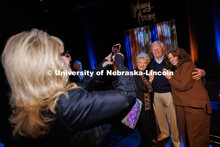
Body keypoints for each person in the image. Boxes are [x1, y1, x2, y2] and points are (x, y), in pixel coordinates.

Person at [1, 29, 137, 147]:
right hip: (102, 141)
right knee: (135, 109)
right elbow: (127, 95)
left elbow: (82, 84)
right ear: (49, 64)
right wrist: (120, 63)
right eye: (63, 55)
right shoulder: (66, 102)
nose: (69, 58)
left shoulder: (46, 95)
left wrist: (103, 64)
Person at [148, 41, 205, 147]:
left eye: (158, 49)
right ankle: (165, 133)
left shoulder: (170, 60)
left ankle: (176, 141)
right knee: (160, 118)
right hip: (156, 94)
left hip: (170, 93)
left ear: (163, 49)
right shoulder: (150, 63)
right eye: (153, 49)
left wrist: (202, 71)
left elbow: (186, 68)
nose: (156, 51)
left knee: (173, 119)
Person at [163, 48, 212, 147]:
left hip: (194, 106)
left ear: (180, 56)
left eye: (174, 56)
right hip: (182, 105)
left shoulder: (187, 65)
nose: (172, 60)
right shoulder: (176, 69)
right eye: (170, 58)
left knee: (196, 137)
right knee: (187, 136)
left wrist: (170, 78)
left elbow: (183, 86)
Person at [133, 52, 157, 147]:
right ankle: (147, 144)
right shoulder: (135, 74)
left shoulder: (145, 72)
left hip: (148, 104)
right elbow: (145, 88)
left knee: (150, 124)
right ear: (137, 63)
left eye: (144, 63)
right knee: (144, 127)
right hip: (140, 105)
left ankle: (151, 141)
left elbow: (152, 89)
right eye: (140, 62)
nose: (142, 65)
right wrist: (151, 80)